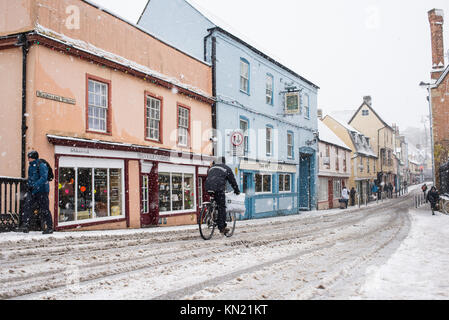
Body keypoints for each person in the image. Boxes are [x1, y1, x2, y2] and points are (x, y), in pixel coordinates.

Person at [17, 151, 53, 234]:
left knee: (44, 209)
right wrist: (29, 185)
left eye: (29, 157)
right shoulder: (31, 166)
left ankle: (49, 227)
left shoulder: (41, 165)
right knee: (27, 206)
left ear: (34, 157)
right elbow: (31, 178)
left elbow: (44, 178)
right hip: (32, 191)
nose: (28, 159)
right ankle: (25, 225)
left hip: (42, 191)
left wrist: (34, 185)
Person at [205, 156, 240, 235]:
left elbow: (211, 177)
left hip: (208, 187)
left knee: (215, 200)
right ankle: (222, 227)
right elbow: (232, 181)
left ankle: (211, 214)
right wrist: (236, 190)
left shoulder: (212, 168)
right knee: (222, 206)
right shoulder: (226, 168)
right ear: (224, 162)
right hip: (218, 188)